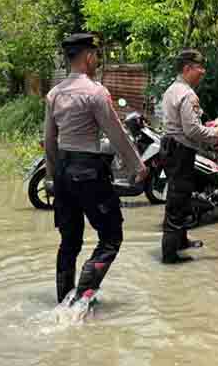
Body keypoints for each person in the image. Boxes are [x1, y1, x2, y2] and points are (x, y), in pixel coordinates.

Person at [44, 33, 148, 306]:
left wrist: (51, 178)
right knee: (111, 237)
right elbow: (116, 134)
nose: (97, 61)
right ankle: (82, 297)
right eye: (97, 56)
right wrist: (137, 166)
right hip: (89, 171)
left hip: (64, 172)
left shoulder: (54, 94)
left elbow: (49, 141)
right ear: (89, 56)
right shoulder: (96, 92)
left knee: (69, 241)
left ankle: (62, 301)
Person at [159, 50, 218, 264]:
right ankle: (170, 255)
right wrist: (217, 133)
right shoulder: (187, 94)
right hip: (181, 150)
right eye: (199, 67)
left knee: (179, 196)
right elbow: (192, 131)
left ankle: (180, 241)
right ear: (187, 68)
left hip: (171, 148)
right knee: (178, 200)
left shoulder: (172, 89)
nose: (203, 72)